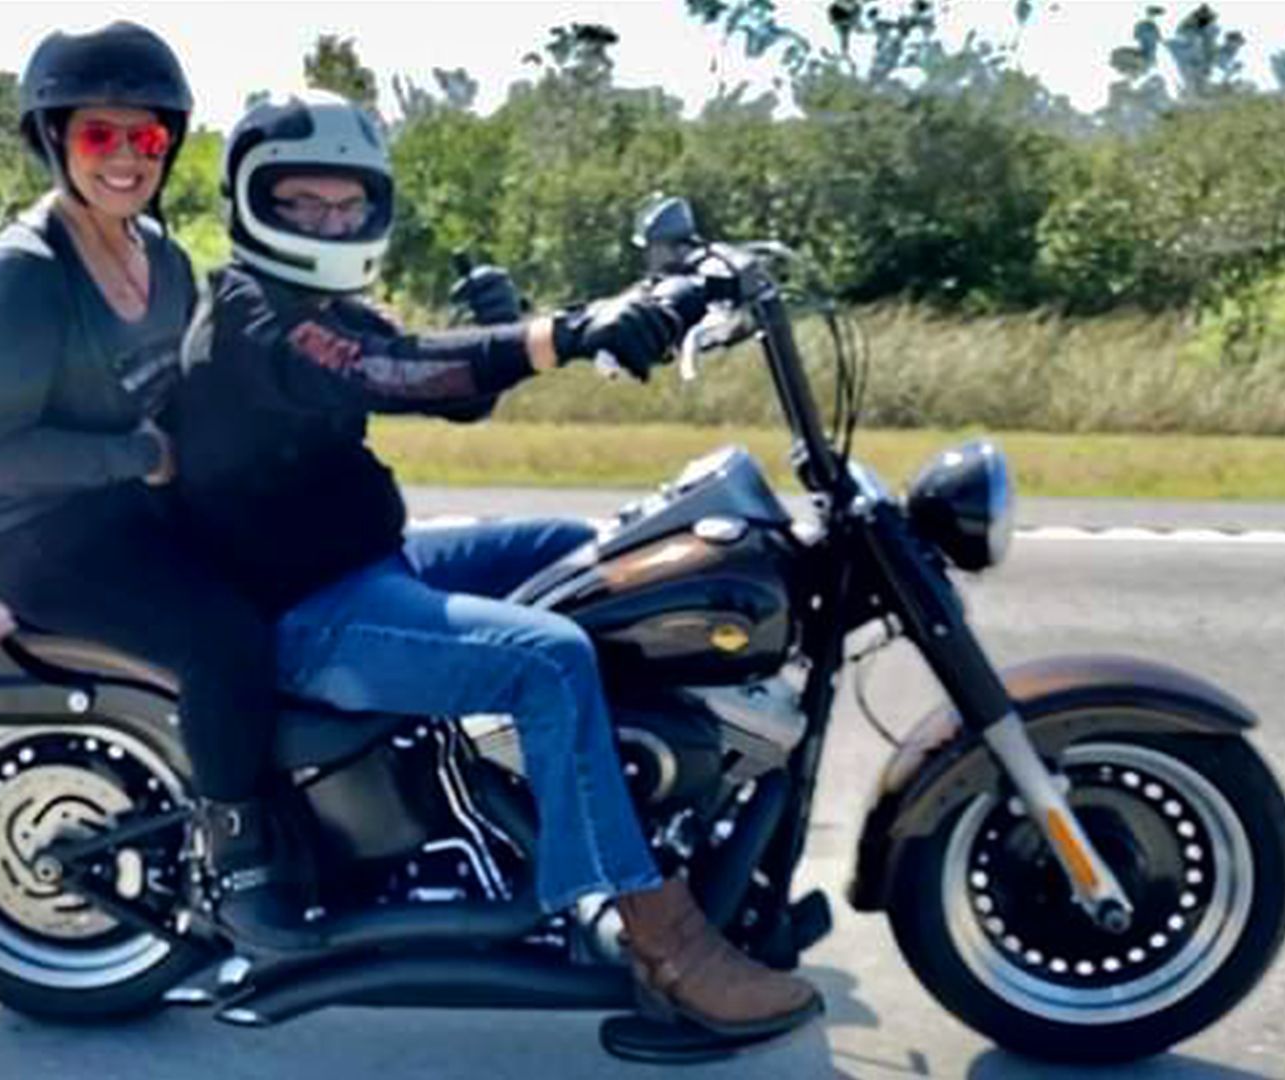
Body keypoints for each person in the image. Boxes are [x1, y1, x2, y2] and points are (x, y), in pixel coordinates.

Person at [161, 90, 823, 1040]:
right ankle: (652, 934)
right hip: (305, 613)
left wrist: (509, 327)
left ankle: (638, 800)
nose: (327, 220)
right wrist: (568, 330)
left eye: (345, 204)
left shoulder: (315, 305)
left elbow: (423, 376)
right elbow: (388, 372)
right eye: (301, 202)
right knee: (549, 656)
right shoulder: (255, 314)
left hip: (369, 561)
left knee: (591, 556)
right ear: (252, 202)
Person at [0, 21, 300, 948]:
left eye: (145, 137)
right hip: (43, 537)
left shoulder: (164, 255)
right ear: (55, 139)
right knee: (223, 638)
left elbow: (196, 389)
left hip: (131, 514)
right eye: (100, 135)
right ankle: (241, 861)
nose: (125, 157)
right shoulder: (25, 275)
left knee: (309, 569)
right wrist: (140, 458)